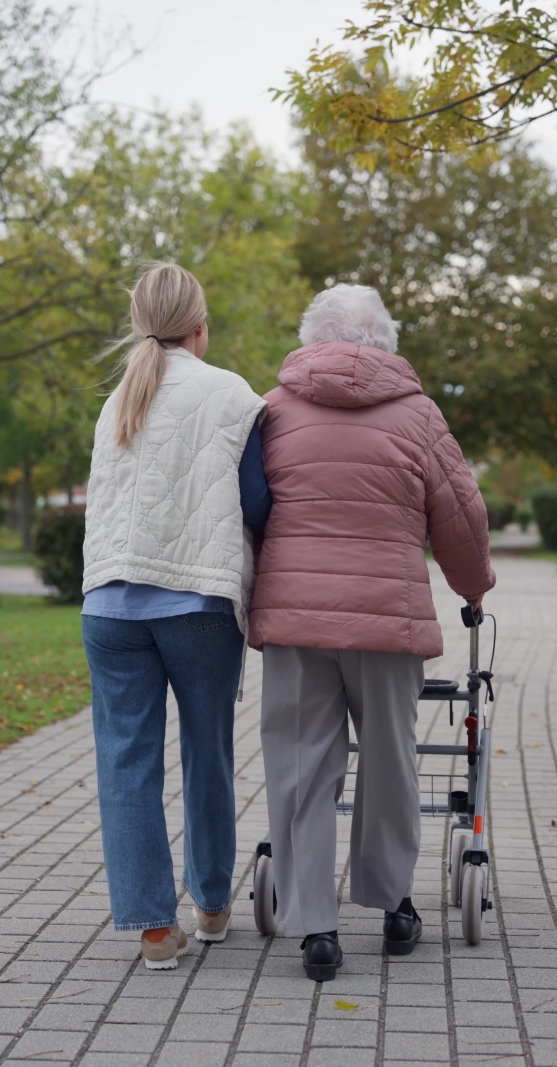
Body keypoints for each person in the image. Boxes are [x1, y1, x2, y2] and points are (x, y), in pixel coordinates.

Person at [250, 283, 495, 981]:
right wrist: (472, 586)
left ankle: (315, 930)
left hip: (296, 618)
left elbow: (249, 508)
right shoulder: (419, 414)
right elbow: (461, 515)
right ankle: (393, 906)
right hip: (387, 620)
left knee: (300, 766)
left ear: (312, 336)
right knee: (390, 758)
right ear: (383, 339)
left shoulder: (272, 410)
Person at [82, 263, 270, 969]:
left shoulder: (117, 400)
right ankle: (213, 903)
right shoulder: (231, 393)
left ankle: (154, 931)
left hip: (108, 605)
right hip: (194, 599)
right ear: (201, 324)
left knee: (125, 761)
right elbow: (257, 500)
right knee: (207, 750)